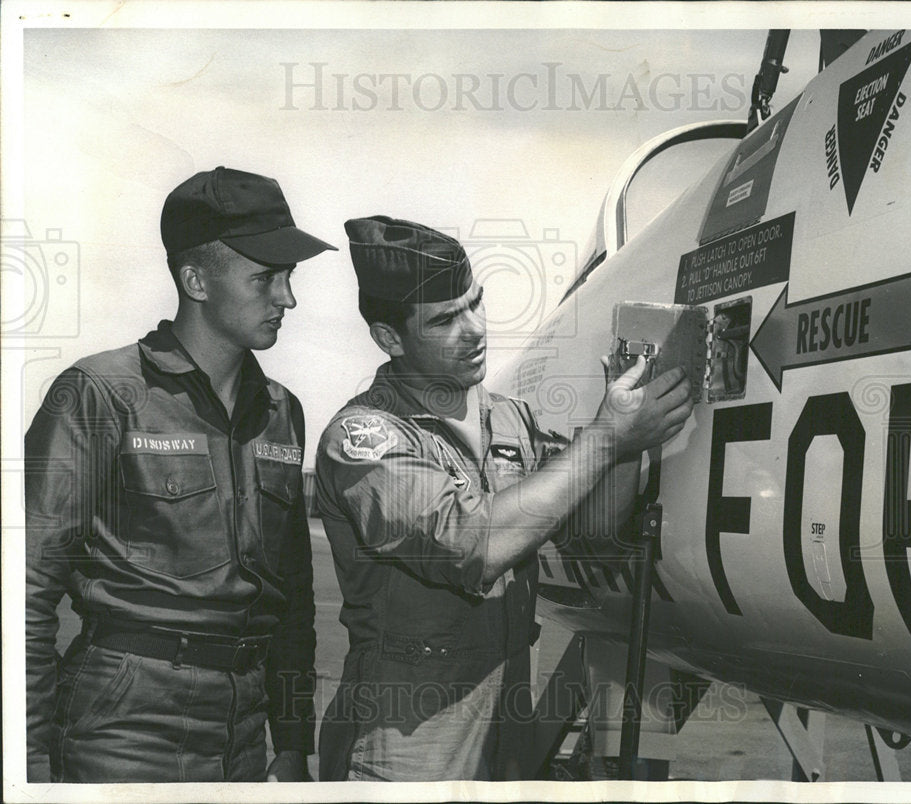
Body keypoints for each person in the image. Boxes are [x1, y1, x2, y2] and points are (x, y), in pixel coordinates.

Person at [314, 215, 693, 781]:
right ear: (390, 338)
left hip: (505, 727)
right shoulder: (366, 437)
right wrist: (606, 439)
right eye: (444, 319)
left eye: (476, 303)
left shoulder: (510, 419)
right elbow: (474, 546)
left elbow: (590, 534)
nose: (474, 329)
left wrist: (625, 444)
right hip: (407, 742)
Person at [24, 166, 336, 783]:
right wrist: (27, 759)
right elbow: (24, 591)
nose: (288, 299)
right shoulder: (101, 394)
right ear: (195, 279)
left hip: (244, 732)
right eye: (265, 278)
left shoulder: (281, 412)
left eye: (290, 278)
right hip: (122, 729)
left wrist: (293, 741)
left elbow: (293, 601)